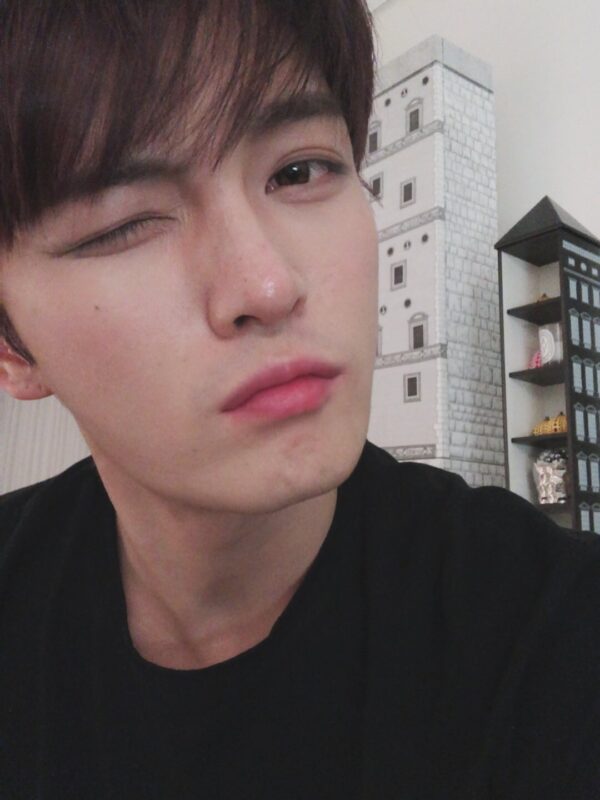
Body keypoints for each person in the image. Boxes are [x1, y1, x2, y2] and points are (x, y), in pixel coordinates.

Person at [1, 1, 599, 798]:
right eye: (122, 225)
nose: (268, 285)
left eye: (299, 171)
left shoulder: (546, 633)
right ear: (11, 349)